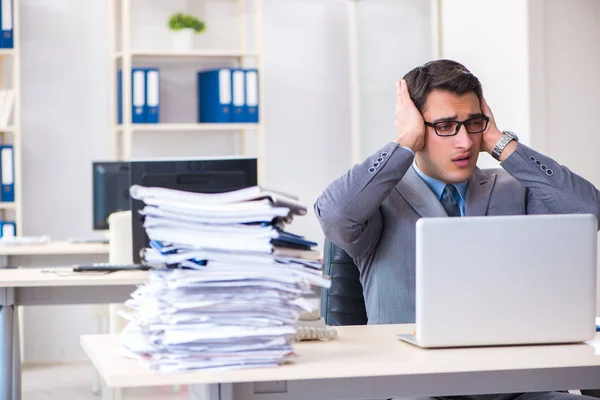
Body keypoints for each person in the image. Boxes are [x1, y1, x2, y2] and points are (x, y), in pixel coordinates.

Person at [314, 59, 600, 400]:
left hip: (516, 387)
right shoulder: (378, 201)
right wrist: (403, 145)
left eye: (473, 123)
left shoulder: (516, 189)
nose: (464, 142)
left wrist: (499, 141)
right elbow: (333, 215)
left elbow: (590, 213)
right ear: (418, 127)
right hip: (415, 388)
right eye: (446, 126)